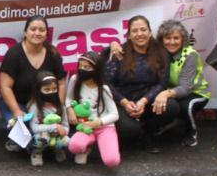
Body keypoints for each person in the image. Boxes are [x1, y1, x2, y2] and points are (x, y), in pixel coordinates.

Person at [104, 16, 172, 152]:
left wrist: (144, 101)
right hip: (122, 101)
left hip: (147, 100)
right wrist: (124, 102)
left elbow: (162, 83)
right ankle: (134, 132)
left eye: (143, 29)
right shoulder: (118, 52)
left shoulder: (161, 53)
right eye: (134, 31)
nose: (139, 34)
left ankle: (149, 133)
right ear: (129, 35)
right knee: (130, 131)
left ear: (150, 32)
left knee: (171, 107)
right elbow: (107, 84)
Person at [0, 15, 66, 151]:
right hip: (18, 104)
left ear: (46, 33)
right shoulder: (13, 54)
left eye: (41, 30)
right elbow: (5, 87)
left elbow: (61, 83)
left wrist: (59, 108)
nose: (37, 33)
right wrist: (16, 111)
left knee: (52, 139)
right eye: (33, 29)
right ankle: (14, 138)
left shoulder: (53, 54)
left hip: (44, 107)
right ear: (26, 32)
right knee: (31, 143)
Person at [66, 51, 121, 167]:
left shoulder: (103, 88)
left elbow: (115, 114)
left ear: (96, 69)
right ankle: (86, 147)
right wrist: (69, 109)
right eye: (80, 66)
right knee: (74, 146)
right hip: (84, 125)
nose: (82, 69)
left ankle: (105, 144)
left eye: (87, 67)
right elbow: (68, 98)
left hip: (104, 127)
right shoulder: (75, 80)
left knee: (112, 161)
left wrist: (98, 122)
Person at [23, 71, 69, 166]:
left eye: (54, 89)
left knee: (67, 141)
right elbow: (34, 128)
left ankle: (58, 149)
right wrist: (55, 126)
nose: (51, 92)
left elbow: (66, 126)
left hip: (56, 135)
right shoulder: (35, 106)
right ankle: (37, 153)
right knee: (41, 138)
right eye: (46, 90)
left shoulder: (60, 106)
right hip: (42, 134)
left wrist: (63, 131)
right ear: (39, 90)